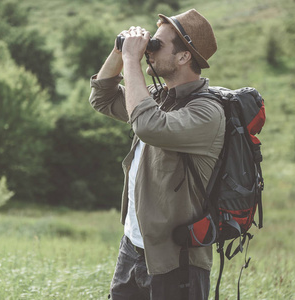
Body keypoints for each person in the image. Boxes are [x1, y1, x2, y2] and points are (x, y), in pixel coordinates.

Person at [89, 9, 225, 300]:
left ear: (183, 57)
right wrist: (119, 50)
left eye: (156, 44)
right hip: (133, 247)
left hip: (177, 260)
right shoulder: (159, 98)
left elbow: (148, 126)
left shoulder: (207, 113)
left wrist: (130, 60)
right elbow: (101, 97)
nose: (148, 49)